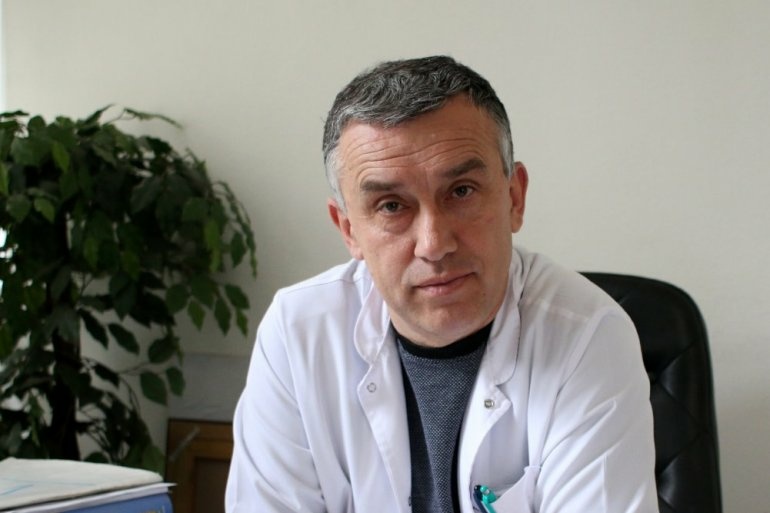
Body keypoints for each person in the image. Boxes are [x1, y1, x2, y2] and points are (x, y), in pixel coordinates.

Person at [225, 55, 658, 513]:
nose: (434, 244)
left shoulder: (589, 336)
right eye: (391, 206)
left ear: (514, 197)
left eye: (462, 191)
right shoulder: (298, 332)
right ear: (348, 229)